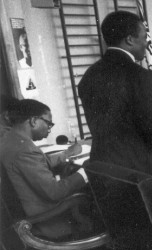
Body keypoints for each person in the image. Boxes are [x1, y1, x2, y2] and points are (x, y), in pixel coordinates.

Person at [78, 11, 152, 184]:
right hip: (136, 172)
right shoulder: (142, 77)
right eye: (144, 37)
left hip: (102, 167)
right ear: (130, 39)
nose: (146, 44)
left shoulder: (89, 76)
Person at [0, 99, 88, 238]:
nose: (50, 128)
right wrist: (85, 172)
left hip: (28, 213)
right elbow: (55, 192)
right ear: (34, 120)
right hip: (47, 223)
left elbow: (40, 162)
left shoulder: (10, 139)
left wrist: (66, 155)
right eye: (49, 123)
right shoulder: (24, 149)